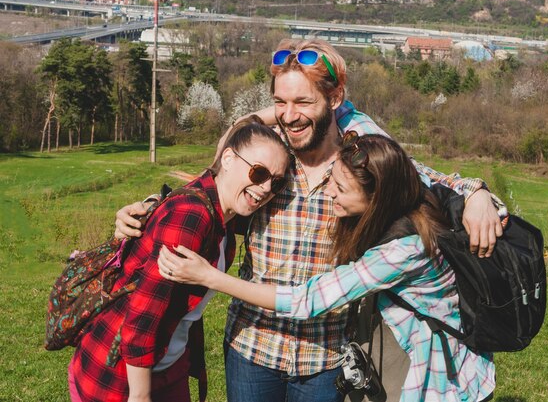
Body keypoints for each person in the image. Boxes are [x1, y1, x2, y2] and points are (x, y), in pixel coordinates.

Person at [114, 39, 505, 402]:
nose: (289, 115)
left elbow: (428, 180)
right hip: (252, 346)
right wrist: (151, 209)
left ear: (335, 98)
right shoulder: (271, 158)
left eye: (302, 101)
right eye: (280, 103)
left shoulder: (361, 164)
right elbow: (217, 185)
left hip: (325, 354)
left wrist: (477, 193)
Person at [157, 134, 497, 402]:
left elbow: (308, 301)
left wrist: (209, 277)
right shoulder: (405, 199)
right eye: (332, 178)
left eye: (340, 188)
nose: (328, 191)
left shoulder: (403, 250)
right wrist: (150, 209)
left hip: (439, 378)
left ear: (375, 198)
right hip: (261, 350)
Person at [68, 121, 290, 402]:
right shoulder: (192, 216)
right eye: (259, 172)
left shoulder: (219, 209)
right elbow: (143, 313)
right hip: (119, 375)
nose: (266, 187)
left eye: (277, 181)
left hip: (165, 365)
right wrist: (140, 396)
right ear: (228, 158)